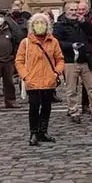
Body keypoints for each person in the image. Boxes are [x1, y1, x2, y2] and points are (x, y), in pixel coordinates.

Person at [15, 12, 65, 146]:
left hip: (49, 80)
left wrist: (56, 72)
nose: (39, 25)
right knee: (34, 107)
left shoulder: (53, 41)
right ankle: (33, 133)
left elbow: (59, 59)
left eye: (42, 23)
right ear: (32, 26)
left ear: (47, 25)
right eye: (36, 23)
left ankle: (43, 131)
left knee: (46, 107)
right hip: (33, 81)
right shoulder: (25, 42)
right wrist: (25, 76)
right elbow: (19, 61)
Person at [54, 1, 92, 123]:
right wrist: (71, 46)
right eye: (72, 10)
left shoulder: (82, 23)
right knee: (71, 89)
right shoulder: (60, 25)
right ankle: (73, 111)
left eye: (76, 10)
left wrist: (84, 23)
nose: (75, 12)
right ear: (65, 11)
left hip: (86, 60)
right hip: (70, 61)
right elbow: (56, 43)